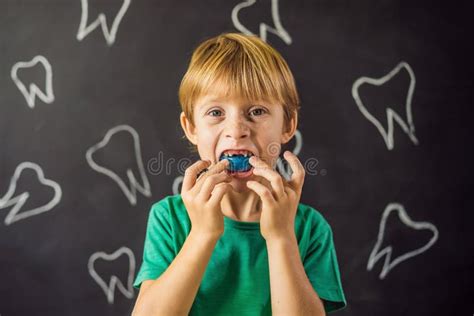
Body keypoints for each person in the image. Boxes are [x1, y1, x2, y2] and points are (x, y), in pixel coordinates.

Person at [131, 32, 347, 315]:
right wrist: (202, 234)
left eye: (257, 111)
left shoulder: (309, 228)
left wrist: (281, 237)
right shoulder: (169, 219)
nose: (237, 130)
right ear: (191, 127)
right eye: (216, 112)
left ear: (287, 125)